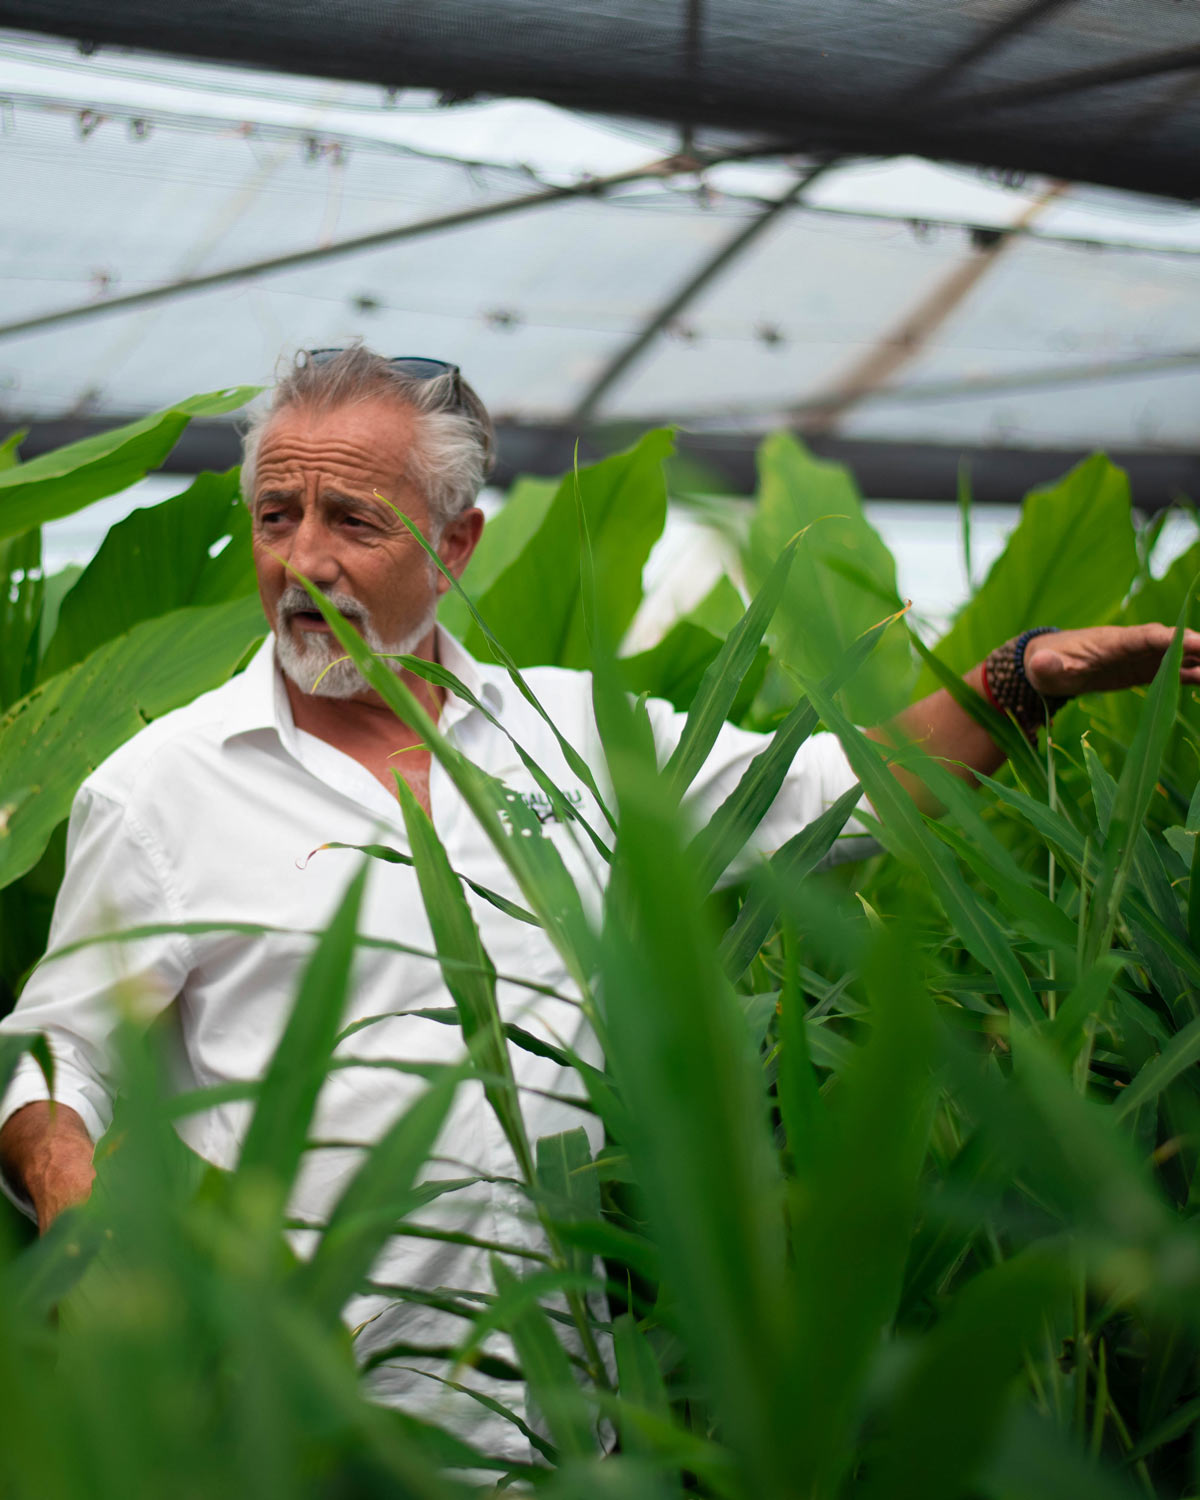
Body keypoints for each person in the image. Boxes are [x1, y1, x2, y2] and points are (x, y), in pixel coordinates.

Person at [1, 346, 1197, 1459]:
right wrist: (79, 1210)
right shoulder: (160, 790)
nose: (301, 561)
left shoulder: (577, 741)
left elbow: (845, 792)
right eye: (276, 516)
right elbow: (59, 1060)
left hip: (549, 1426)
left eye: (353, 520)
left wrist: (1022, 675)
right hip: (274, 1424)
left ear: (457, 543)